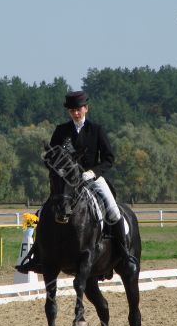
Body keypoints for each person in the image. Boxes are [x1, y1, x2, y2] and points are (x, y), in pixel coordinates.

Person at [16, 91, 137, 274]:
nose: (76, 113)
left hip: (92, 179)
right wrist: (58, 170)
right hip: (67, 182)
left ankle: (124, 253)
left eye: (78, 110)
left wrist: (93, 172)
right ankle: (37, 257)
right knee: (43, 212)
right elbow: (51, 157)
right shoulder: (61, 131)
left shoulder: (96, 130)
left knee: (112, 209)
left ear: (86, 109)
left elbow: (108, 158)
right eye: (72, 110)